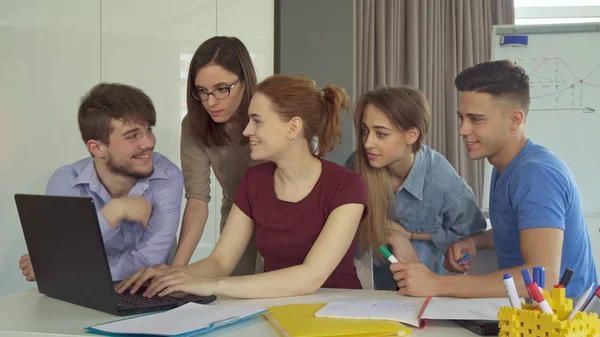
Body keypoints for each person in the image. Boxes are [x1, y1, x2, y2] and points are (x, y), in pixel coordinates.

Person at [115, 74, 368, 299]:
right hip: (276, 308)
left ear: (293, 127)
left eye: (257, 121)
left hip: (338, 310)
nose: (247, 131)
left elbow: (310, 278)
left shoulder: (346, 186)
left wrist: (211, 285)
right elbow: (220, 261)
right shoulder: (254, 181)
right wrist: (171, 275)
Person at [390, 60, 598, 298]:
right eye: (462, 118)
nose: (462, 129)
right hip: (530, 316)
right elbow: (521, 230)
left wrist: (437, 284)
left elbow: (543, 278)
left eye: (476, 119)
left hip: (567, 325)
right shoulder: (506, 167)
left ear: (515, 120)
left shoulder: (536, 175)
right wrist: (475, 241)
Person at [18, 83, 183, 282]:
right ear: (97, 148)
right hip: (81, 291)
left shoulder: (167, 177)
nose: (149, 142)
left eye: (148, 130)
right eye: (132, 136)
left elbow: (148, 259)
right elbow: (60, 252)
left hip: (146, 291)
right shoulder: (66, 183)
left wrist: (62, 268)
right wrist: (113, 212)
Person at [345, 86, 487, 290]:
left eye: (381, 134)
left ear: (411, 135)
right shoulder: (355, 165)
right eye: (365, 131)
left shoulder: (443, 183)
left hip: (418, 295)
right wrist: (390, 234)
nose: (368, 143)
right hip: (365, 290)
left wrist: (413, 236)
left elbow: (470, 233)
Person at [172, 36, 260, 275]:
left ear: (245, 80)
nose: (210, 102)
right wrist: (177, 270)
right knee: (232, 289)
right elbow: (197, 199)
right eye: (202, 91)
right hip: (235, 211)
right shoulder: (194, 125)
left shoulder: (270, 114)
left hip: (283, 214)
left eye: (222, 89)